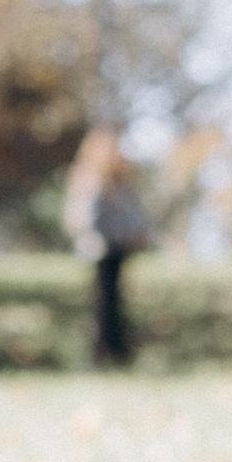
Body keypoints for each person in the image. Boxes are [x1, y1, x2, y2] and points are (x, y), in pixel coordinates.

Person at [64, 125, 153, 371]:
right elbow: (86, 218)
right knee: (105, 302)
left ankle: (117, 350)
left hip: (119, 250)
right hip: (102, 251)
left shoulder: (121, 182)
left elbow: (133, 215)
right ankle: (103, 351)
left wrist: (137, 233)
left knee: (116, 301)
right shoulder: (91, 180)